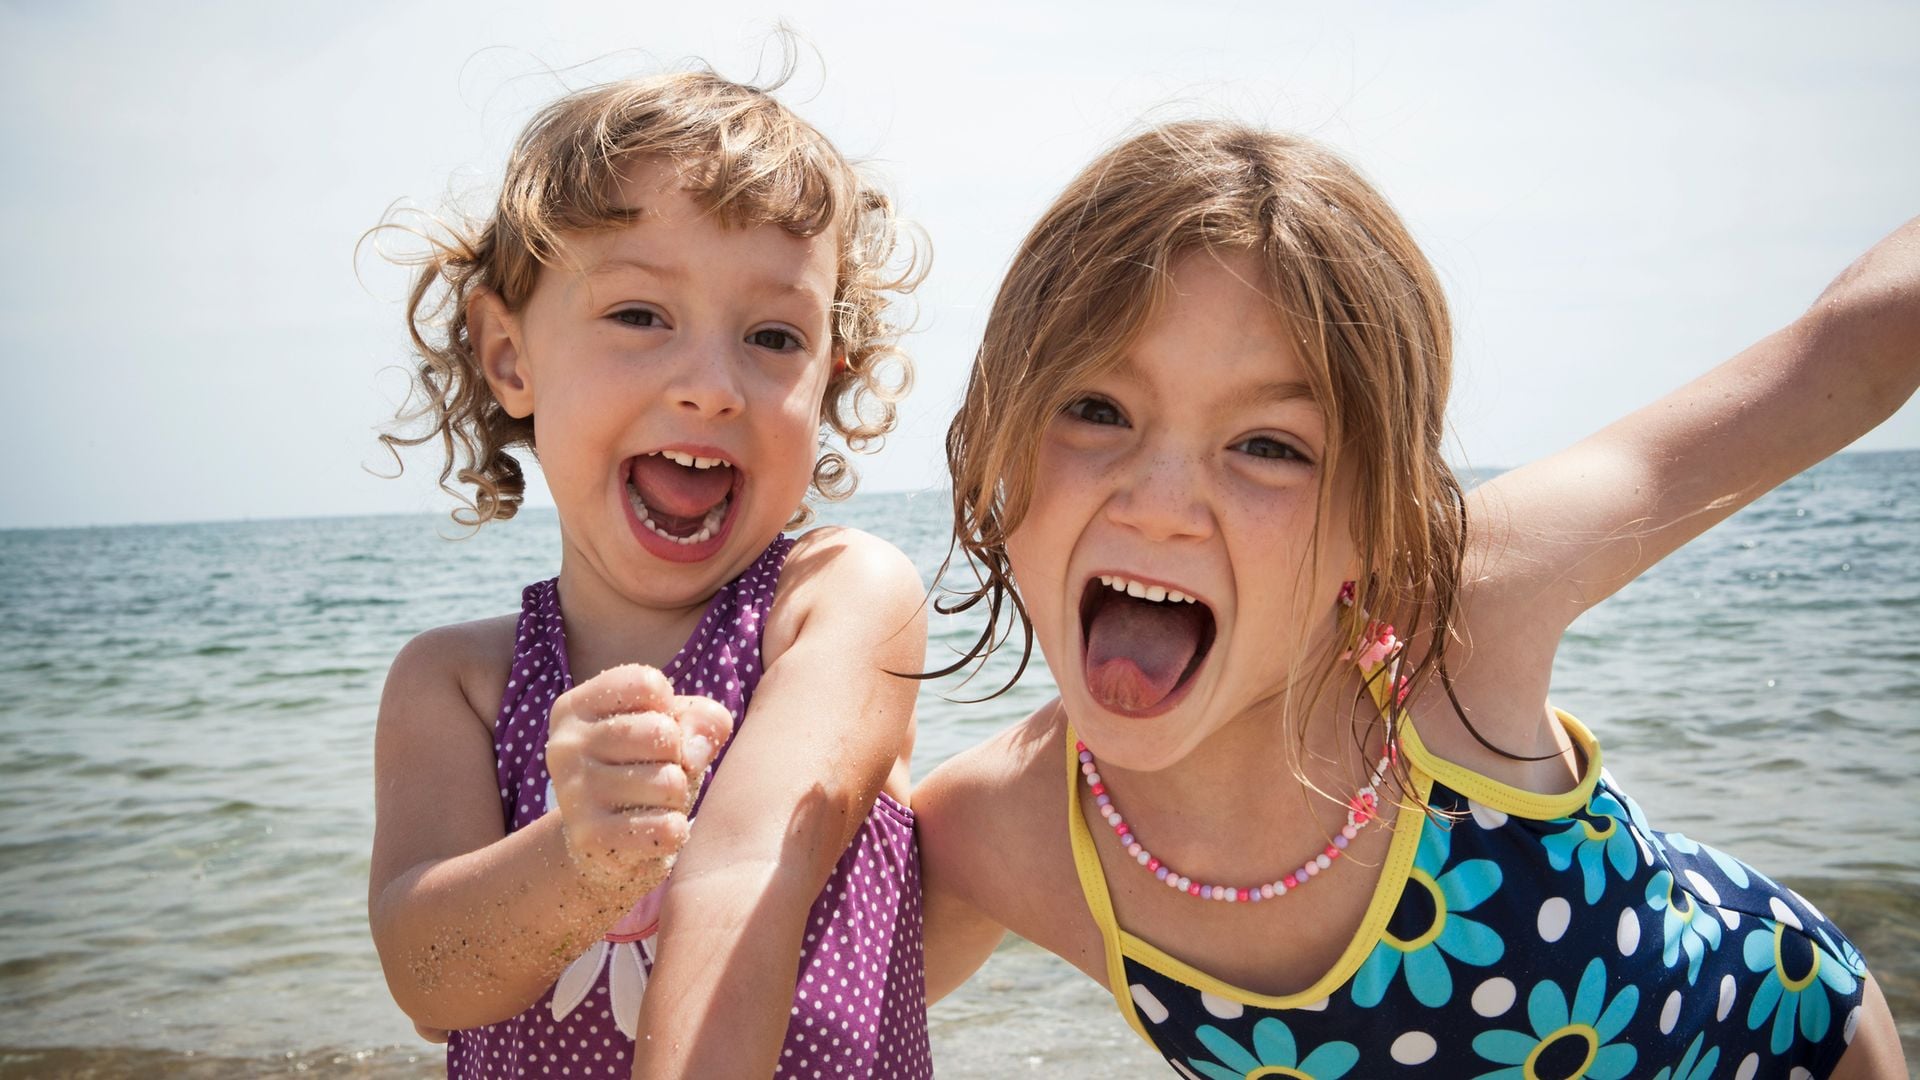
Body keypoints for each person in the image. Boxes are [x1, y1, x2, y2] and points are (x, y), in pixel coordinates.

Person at [916, 120, 1914, 1078]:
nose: (1162, 504)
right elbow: (820, 1003)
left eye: (1269, 446)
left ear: (1378, 516)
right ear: (999, 451)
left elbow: (1839, 354)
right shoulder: (999, 832)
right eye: (1097, 410)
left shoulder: (1456, 627)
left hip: (1778, 1041)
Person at [366, 69, 934, 1080]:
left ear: (830, 374)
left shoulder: (842, 603)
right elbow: (430, 980)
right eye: (640, 315)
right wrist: (579, 859)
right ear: (508, 356)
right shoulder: (453, 687)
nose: (712, 388)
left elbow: (752, 861)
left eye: (773, 338)